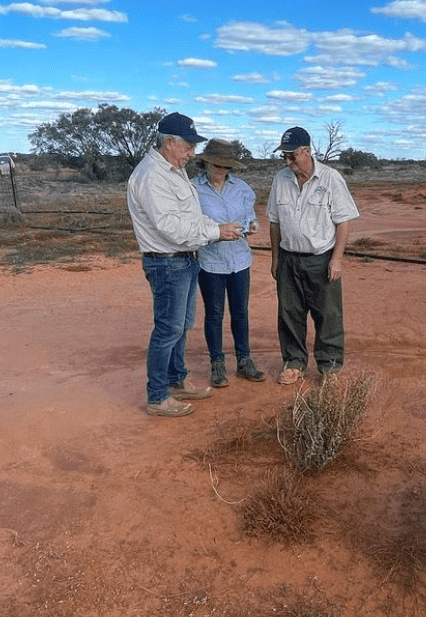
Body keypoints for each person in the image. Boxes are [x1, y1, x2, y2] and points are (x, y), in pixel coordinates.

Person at [127, 113, 241, 418]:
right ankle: (157, 396)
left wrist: (218, 227)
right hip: (167, 263)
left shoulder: (173, 171)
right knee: (168, 329)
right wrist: (217, 232)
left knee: (182, 326)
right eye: (188, 146)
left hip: (184, 261)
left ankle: (177, 380)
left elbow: (190, 219)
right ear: (168, 143)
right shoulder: (152, 176)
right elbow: (171, 228)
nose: (192, 153)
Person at [266, 126, 359, 385]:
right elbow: (274, 223)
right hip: (288, 258)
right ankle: (294, 362)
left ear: (307, 151)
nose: (287, 162)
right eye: (284, 156)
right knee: (289, 313)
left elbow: (343, 222)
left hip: (321, 258)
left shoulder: (331, 179)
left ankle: (329, 366)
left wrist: (337, 259)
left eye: (292, 156)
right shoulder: (280, 180)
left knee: (327, 314)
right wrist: (275, 259)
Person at [190, 139, 266, 387]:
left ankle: (244, 361)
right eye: (216, 164)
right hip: (210, 261)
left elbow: (250, 218)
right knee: (214, 314)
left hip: (239, 259)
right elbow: (192, 224)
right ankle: (217, 364)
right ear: (207, 162)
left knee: (240, 313)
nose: (220, 170)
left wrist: (251, 227)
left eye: (225, 166)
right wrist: (217, 231)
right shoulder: (192, 189)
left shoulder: (241, 188)